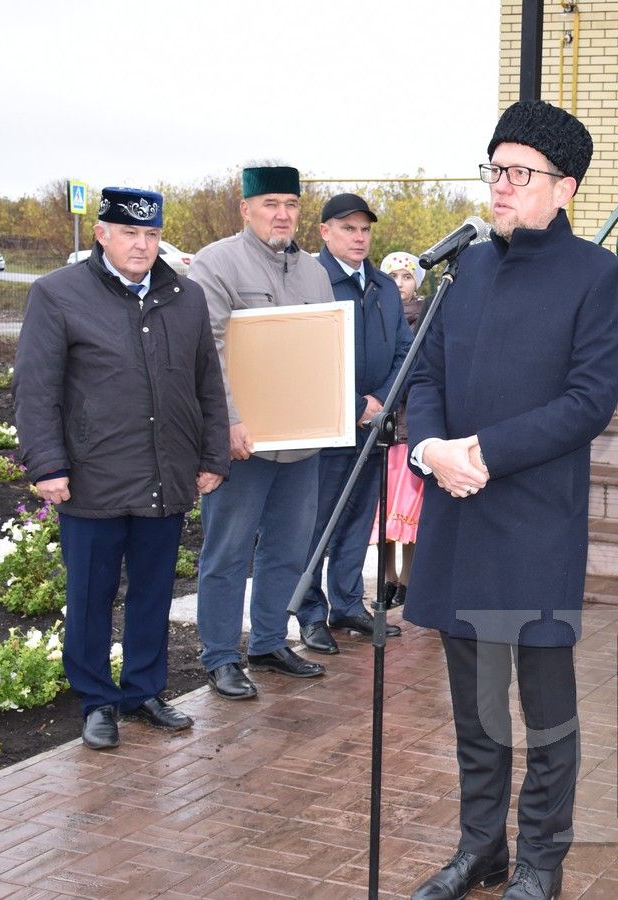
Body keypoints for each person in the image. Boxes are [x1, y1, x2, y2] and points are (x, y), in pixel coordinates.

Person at [403, 100, 618, 900]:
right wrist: (431, 450)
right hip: (456, 516)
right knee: (472, 711)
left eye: (517, 172)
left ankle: (540, 859)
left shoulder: (597, 276)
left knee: (544, 713)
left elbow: (588, 401)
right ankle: (480, 848)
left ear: (563, 187)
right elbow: (422, 375)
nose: (499, 186)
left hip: (533, 523)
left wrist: (483, 453)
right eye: (493, 168)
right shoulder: (464, 268)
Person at [14, 187, 230, 749]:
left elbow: (207, 384)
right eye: (130, 234)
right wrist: (47, 464)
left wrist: (210, 458)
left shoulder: (185, 297)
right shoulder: (57, 295)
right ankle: (95, 701)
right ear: (103, 235)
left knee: (154, 590)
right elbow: (36, 391)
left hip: (166, 474)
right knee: (90, 593)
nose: (141, 245)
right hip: (92, 475)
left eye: (151, 234)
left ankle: (142, 691)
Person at [190, 165, 336, 700]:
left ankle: (270, 642)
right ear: (245, 208)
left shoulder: (315, 273)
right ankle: (222, 655)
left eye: (291, 204)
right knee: (227, 553)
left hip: (301, 442)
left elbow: (323, 349)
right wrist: (226, 422)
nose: (282, 214)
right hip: (242, 444)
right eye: (270, 203)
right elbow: (209, 353)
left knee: (288, 548)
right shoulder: (217, 264)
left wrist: (330, 412)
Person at [294, 195, 412, 655]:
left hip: (372, 426)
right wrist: (348, 404)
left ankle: (346, 604)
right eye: (348, 229)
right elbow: (303, 353)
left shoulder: (382, 286)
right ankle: (309, 612)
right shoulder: (312, 281)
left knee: (358, 518)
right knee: (317, 523)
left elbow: (406, 349)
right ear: (324, 232)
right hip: (326, 426)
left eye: (364, 230)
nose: (359, 237)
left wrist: (380, 400)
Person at [372, 251, 426, 608]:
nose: (400, 284)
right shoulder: (380, 317)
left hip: (410, 431)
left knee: (409, 514)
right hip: (384, 432)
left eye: (407, 277)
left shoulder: (426, 320)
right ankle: (387, 579)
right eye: (393, 278)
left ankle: (408, 580)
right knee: (384, 515)